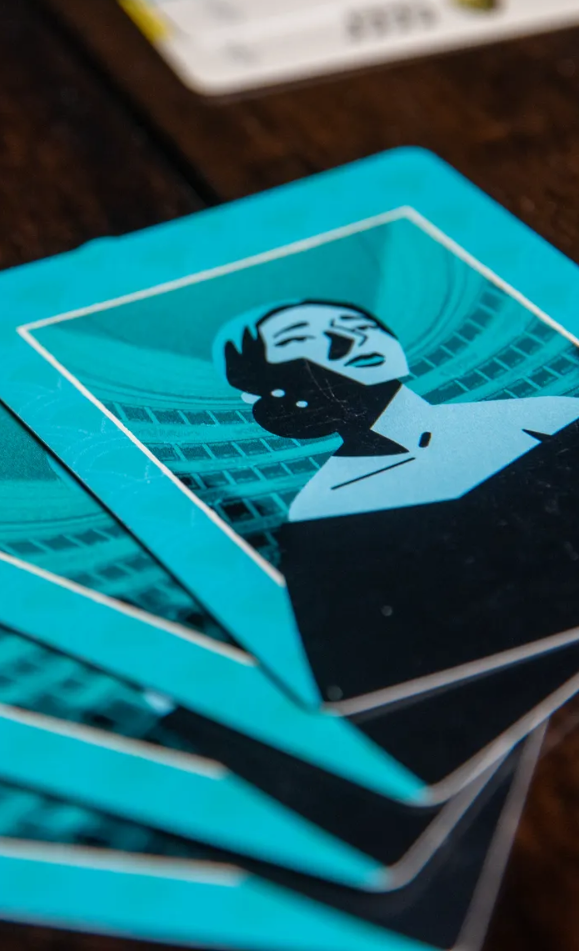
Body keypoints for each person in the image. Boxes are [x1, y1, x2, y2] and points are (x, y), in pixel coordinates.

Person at [218, 299, 579, 704]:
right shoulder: (321, 507)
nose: (348, 338)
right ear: (266, 377)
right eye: (300, 338)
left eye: (357, 324)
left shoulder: (550, 418)